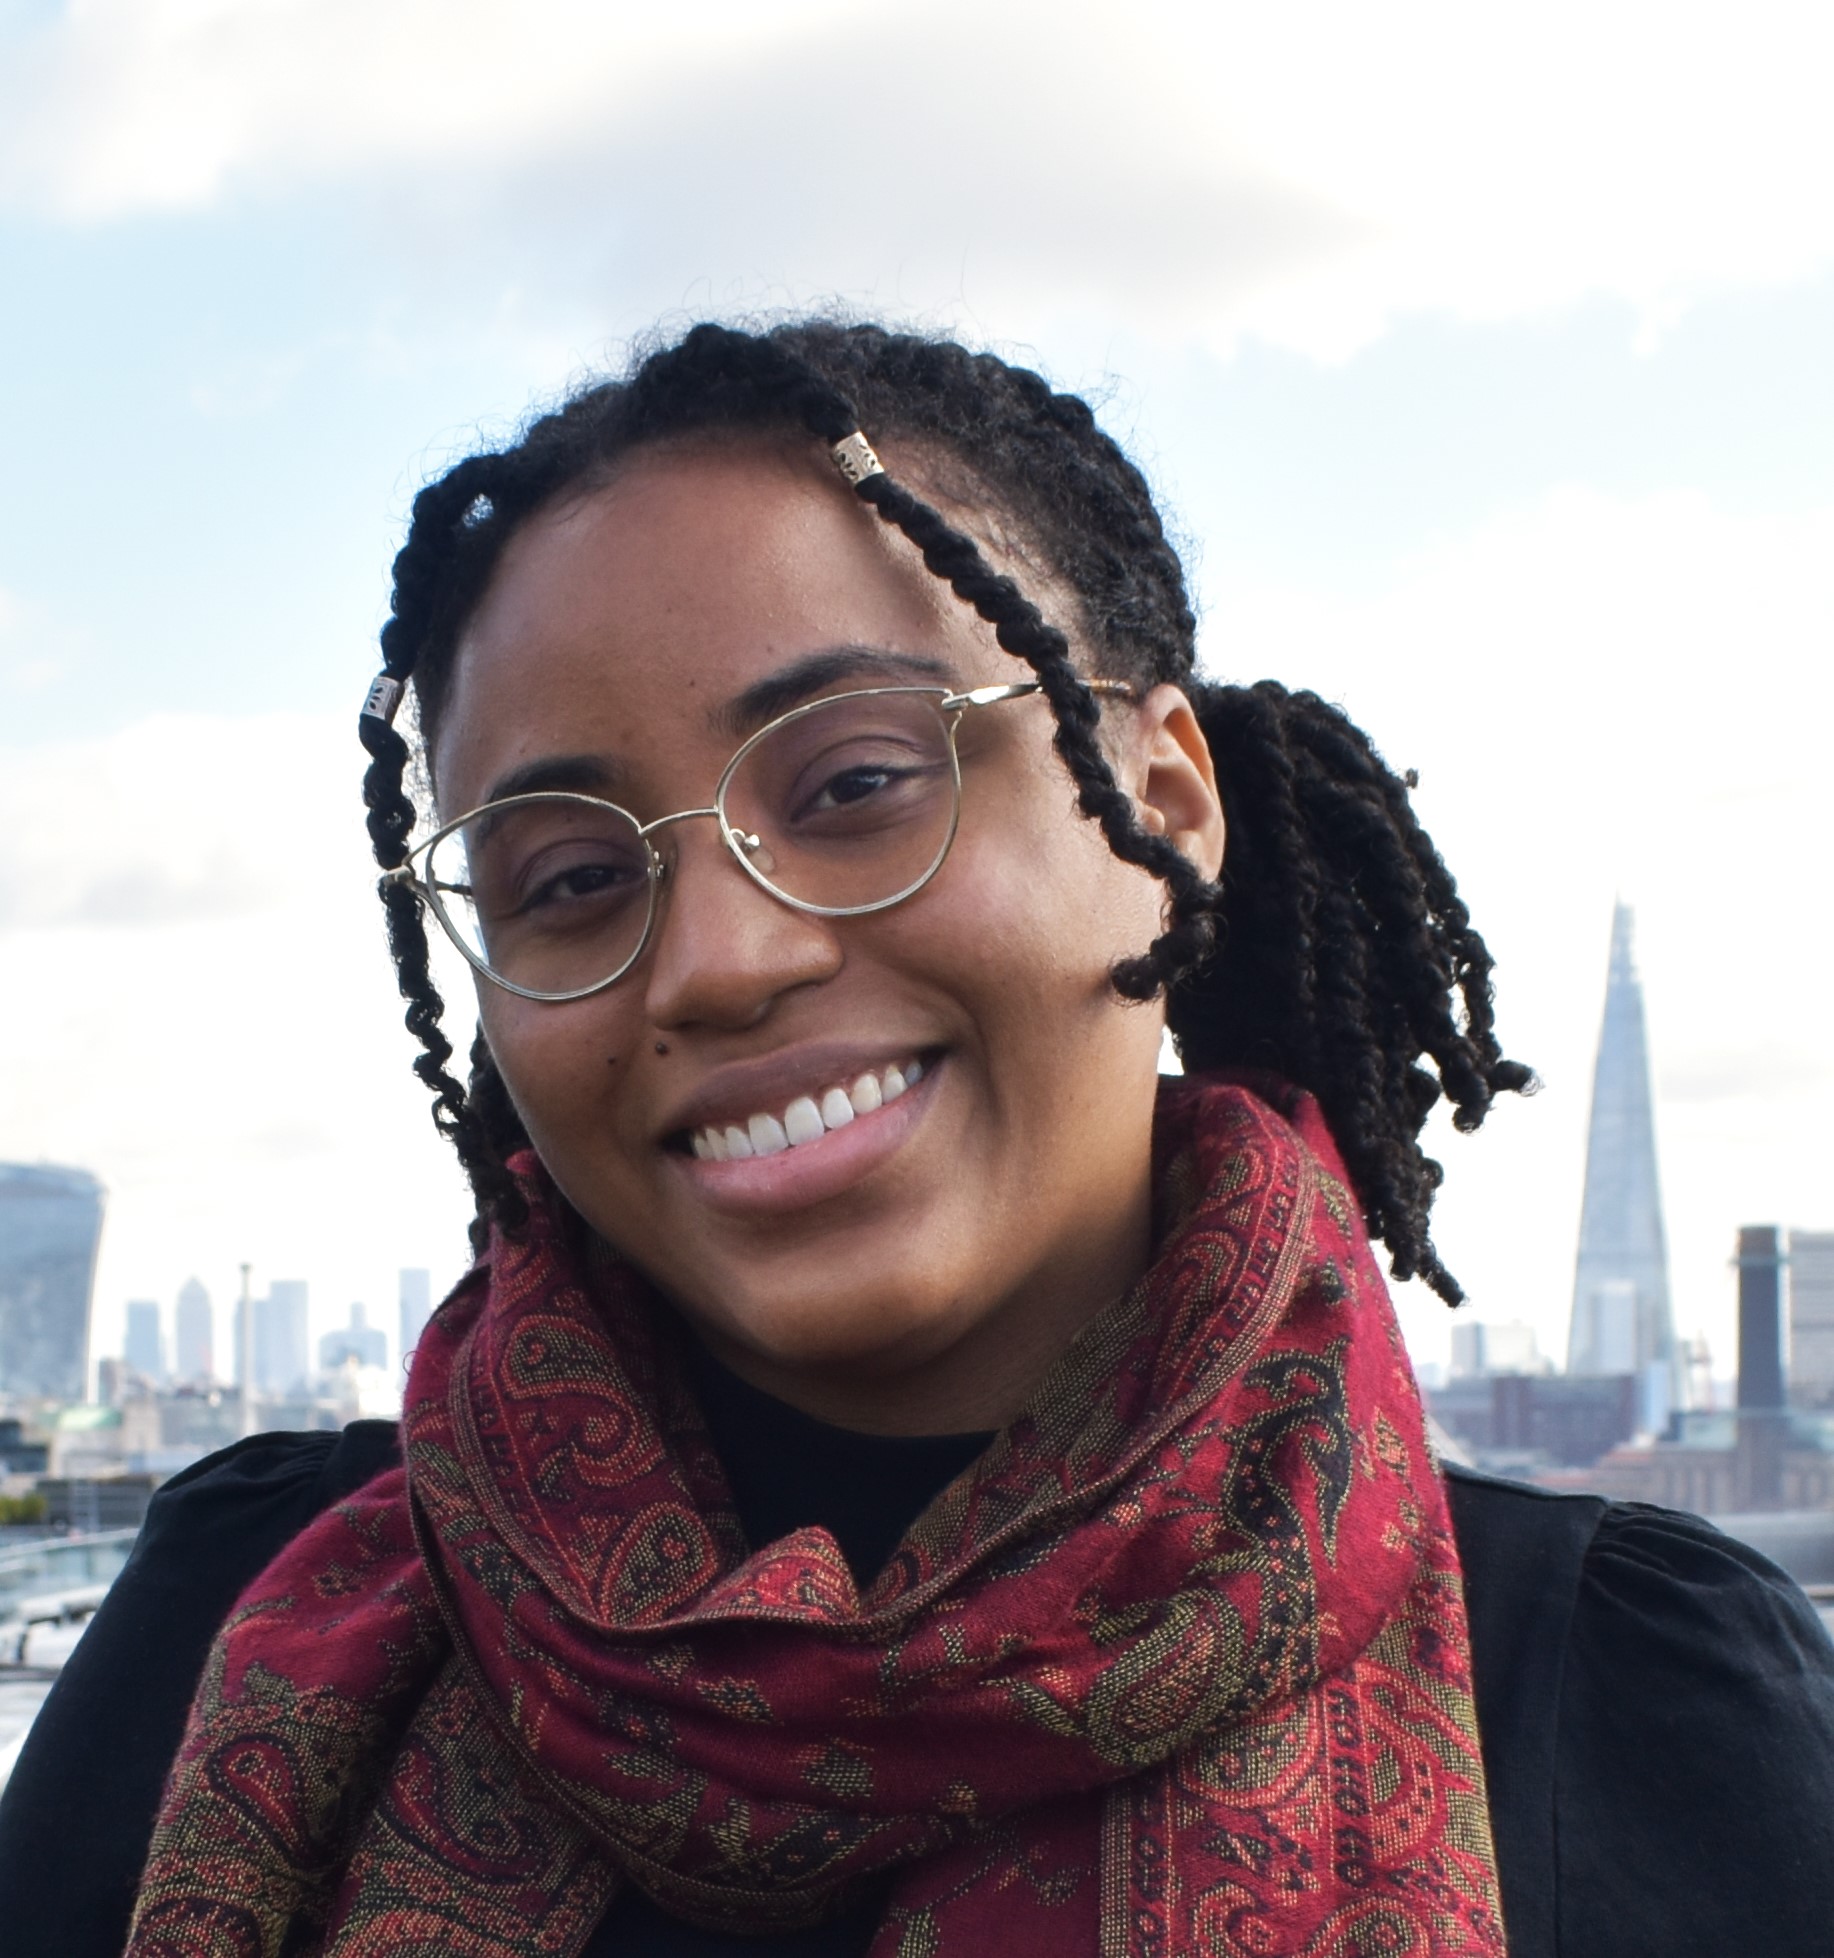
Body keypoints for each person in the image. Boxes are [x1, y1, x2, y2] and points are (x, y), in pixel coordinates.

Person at [2, 321, 1831, 1958]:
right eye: (565, 878)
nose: (718, 959)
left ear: (1161, 806)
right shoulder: (242, 1628)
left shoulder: (1623, 1698)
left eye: (858, 782)